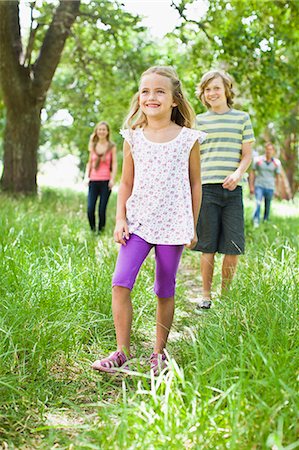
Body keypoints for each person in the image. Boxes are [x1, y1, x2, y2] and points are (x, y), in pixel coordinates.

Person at [92, 66, 206, 375]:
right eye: (145, 91)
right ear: (139, 97)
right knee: (120, 282)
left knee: (164, 289)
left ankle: (159, 353)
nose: (151, 96)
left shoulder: (188, 139)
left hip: (172, 225)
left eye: (159, 91)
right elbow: (125, 182)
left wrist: (192, 225)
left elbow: (196, 183)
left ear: (173, 100)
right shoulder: (133, 137)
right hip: (138, 222)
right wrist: (120, 219)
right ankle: (122, 352)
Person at [194, 70, 255, 309]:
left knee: (233, 246)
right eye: (207, 89)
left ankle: (226, 297)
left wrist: (238, 174)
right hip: (206, 188)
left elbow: (247, 155)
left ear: (227, 90)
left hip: (233, 191)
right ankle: (206, 296)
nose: (212, 93)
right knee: (207, 245)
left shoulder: (242, 118)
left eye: (216, 88)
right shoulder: (199, 121)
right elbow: (193, 158)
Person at [85, 121, 117, 233]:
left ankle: (101, 231)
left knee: (102, 209)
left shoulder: (111, 146)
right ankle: (93, 230)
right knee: (90, 209)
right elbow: (89, 163)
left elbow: (114, 164)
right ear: (96, 131)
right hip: (93, 181)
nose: (102, 131)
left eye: (104, 129)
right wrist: (86, 177)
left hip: (105, 181)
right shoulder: (92, 145)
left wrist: (112, 179)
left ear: (107, 132)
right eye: (99, 129)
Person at [250, 142, 281, 226]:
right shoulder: (258, 160)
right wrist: (251, 186)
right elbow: (252, 173)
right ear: (265, 150)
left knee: (268, 205)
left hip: (270, 187)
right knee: (258, 203)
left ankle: (265, 221)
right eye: (267, 149)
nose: (268, 151)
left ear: (273, 151)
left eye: (270, 149)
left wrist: (277, 189)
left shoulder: (276, 163)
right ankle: (256, 221)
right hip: (259, 185)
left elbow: (278, 177)